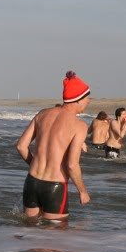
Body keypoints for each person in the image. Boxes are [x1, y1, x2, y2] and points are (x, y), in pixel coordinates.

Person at [15, 71, 91, 221]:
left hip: (32, 182)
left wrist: (36, 165)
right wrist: (82, 191)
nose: (89, 101)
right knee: (56, 239)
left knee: (30, 233)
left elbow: (21, 146)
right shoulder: (79, 126)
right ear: (77, 99)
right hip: (55, 187)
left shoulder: (43, 114)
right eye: (87, 97)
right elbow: (71, 165)